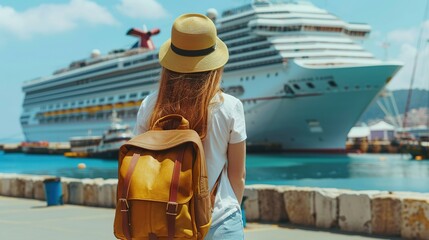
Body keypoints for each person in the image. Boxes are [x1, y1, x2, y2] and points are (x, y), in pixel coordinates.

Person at [133, 13, 247, 240]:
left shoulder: (150, 105)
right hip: (219, 220)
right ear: (215, 62)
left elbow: (140, 165)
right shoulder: (229, 106)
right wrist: (222, 207)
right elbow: (238, 176)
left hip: (162, 222)